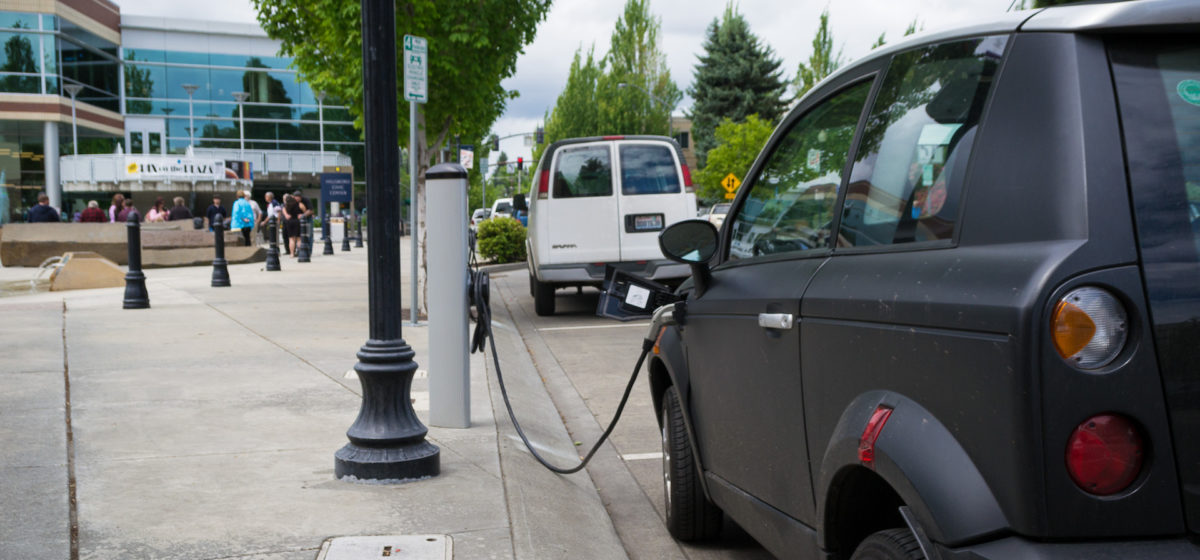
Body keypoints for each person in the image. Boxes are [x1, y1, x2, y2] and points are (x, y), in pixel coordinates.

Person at [282, 192, 303, 256]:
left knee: (291, 239)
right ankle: (300, 253)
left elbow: (283, 209)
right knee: (298, 239)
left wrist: (286, 215)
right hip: (296, 221)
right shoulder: (298, 204)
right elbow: (303, 210)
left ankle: (292, 254)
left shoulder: (286, 205)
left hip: (289, 222)